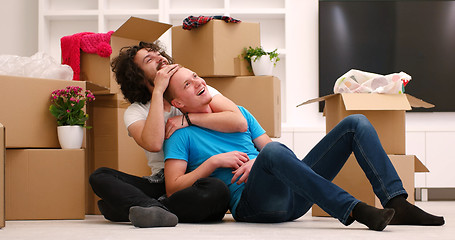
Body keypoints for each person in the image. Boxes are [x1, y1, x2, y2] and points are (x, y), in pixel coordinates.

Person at [162, 67, 445, 231]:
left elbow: (269, 149)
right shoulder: (180, 135)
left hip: (293, 197)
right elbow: (173, 188)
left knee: (355, 123)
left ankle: (396, 202)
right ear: (178, 104)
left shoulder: (239, 114)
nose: (198, 82)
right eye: (187, 84)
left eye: (196, 76)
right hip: (253, 205)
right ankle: (354, 209)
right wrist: (213, 162)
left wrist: (259, 163)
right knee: (273, 153)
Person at [89, 41, 246, 227]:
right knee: (100, 176)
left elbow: (239, 121)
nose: (160, 58)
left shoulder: (197, 88)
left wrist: (188, 119)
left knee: (217, 191)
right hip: (162, 181)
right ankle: (152, 207)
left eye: (158, 53)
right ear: (138, 77)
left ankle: (135, 207)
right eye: (150, 59)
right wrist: (158, 91)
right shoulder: (135, 112)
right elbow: (154, 143)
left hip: (196, 177)